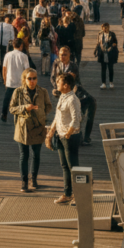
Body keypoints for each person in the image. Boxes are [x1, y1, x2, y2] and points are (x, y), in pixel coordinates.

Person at [9, 69, 52, 192]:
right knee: (24, 155)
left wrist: (41, 113)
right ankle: (24, 181)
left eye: (34, 78)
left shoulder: (43, 91)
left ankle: (34, 178)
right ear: (24, 79)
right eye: (29, 78)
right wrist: (24, 108)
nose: (32, 81)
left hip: (38, 127)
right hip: (23, 128)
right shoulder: (18, 92)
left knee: (36, 154)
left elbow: (49, 105)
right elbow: (12, 109)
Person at [48, 73, 82, 205]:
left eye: (58, 82)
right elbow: (57, 116)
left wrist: (68, 133)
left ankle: (78, 195)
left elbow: (76, 119)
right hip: (60, 135)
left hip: (70, 137)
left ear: (66, 85)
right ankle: (67, 194)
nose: (57, 84)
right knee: (64, 166)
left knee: (73, 166)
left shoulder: (73, 99)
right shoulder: (62, 96)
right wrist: (50, 133)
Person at [1, 38, 31, 123]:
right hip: (20, 82)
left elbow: (4, 68)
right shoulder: (24, 56)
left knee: (7, 99)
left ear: (13, 45)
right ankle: (20, 114)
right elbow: (27, 70)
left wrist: (4, 79)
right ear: (21, 46)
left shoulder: (7, 55)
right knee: (21, 99)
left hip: (10, 81)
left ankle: (4, 114)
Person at [69, 72, 96, 146]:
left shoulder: (76, 87)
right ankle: (81, 138)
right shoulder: (72, 86)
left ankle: (85, 138)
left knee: (87, 119)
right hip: (84, 101)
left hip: (88, 101)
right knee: (80, 119)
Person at [95, 23, 118, 90]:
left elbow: (115, 42)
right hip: (102, 53)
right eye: (104, 28)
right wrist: (97, 49)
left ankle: (111, 82)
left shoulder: (112, 34)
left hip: (110, 53)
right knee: (103, 68)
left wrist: (112, 46)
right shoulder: (100, 34)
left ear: (108, 27)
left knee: (110, 68)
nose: (105, 29)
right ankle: (103, 83)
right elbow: (98, 42)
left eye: (106, 27)